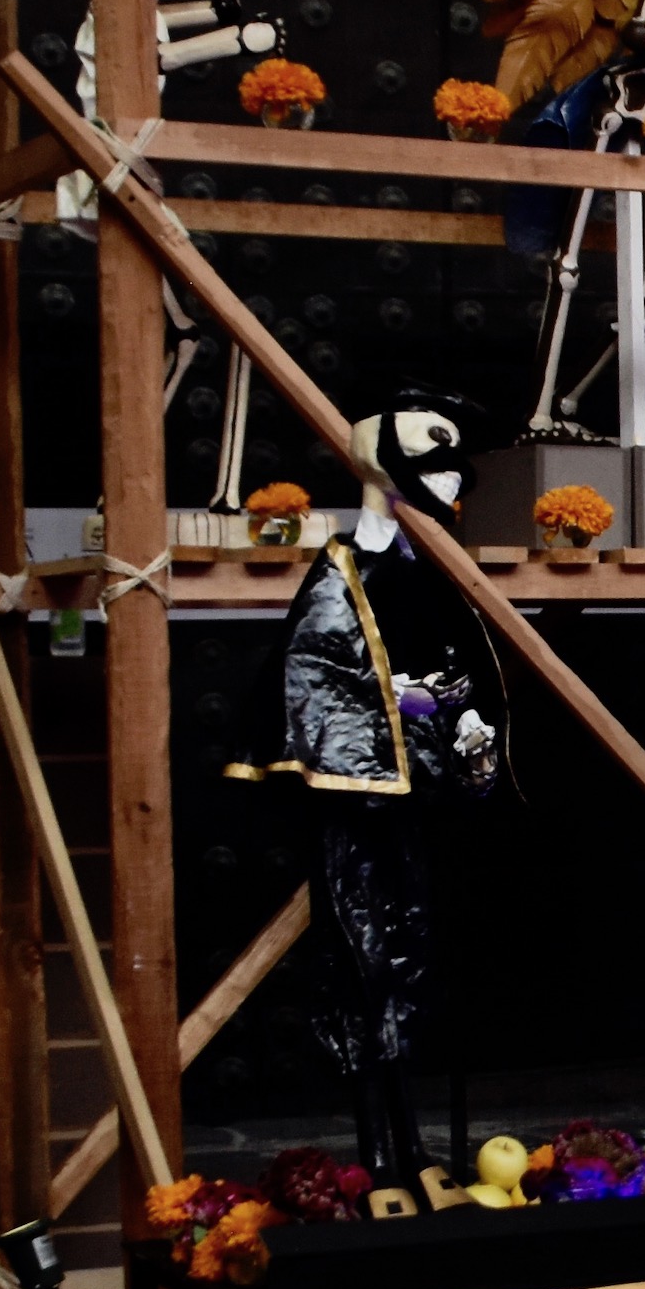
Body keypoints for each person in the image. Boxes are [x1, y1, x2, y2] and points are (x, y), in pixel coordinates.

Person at [229, 400, 500, 1183]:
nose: (450, 481)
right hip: (364, 799)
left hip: (428, 792)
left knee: (420, 956)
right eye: (434, 465)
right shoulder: (345, 568)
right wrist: (403, 702)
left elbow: (463, 665)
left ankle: (419, 1147)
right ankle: (383, 1149)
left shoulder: (433, 566)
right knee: (366, 954)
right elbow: (315, 672)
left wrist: (459, 714)